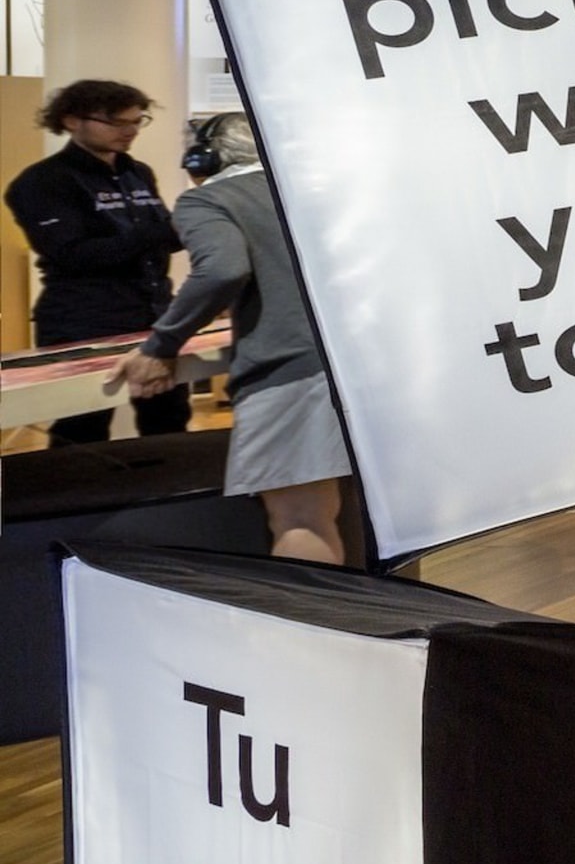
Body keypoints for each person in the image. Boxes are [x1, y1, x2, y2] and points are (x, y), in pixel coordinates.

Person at [112, 114, 352, 564]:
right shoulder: (320, 193)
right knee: (338, 512)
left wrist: (161, 344)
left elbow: (222, 269)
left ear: (202, 157)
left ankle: (306, 631)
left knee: (300, 519)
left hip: (292, 370)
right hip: (363, 366)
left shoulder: (208, 200)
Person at [4, 78, 188, 443]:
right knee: (82, 426)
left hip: (152, 316)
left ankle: (168, 498)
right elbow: (74, 254)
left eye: (137, 121)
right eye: (117, 123)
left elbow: (163, 239)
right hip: (84, 322)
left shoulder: (138, 172)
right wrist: (161, 233)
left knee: (168, 417)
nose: (130, 131)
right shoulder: (42, 182)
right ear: (72, 121)